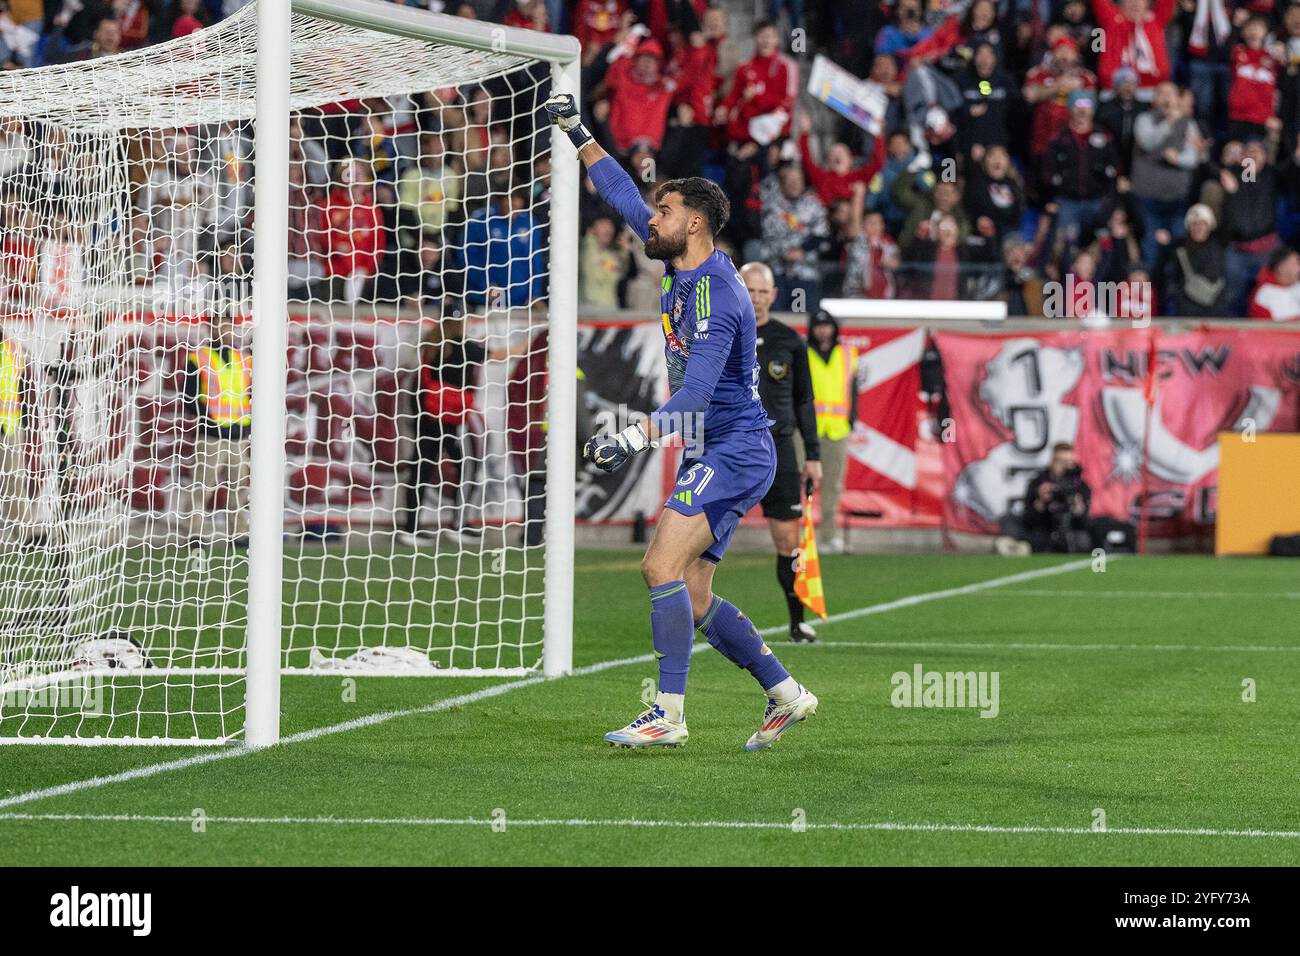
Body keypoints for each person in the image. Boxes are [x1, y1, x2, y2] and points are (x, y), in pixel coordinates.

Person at [545, 91, 818, 752]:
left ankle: (667, 712)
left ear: (694, 224)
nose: (650, 217)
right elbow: (617, 190)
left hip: (736, 446)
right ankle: (786, 692)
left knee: (657, 565)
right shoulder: (682, 261)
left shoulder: (720, 297)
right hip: (715, 448)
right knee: (694, 598)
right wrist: (578, 130)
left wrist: (634, 435)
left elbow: (695, 397)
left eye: (663, 210)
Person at [741, 261, 822, 643]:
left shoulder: (790, 340)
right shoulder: (721, 334)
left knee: (789, 543)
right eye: (749, 290)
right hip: (732, 448)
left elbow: (805, 400)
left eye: (762, 292)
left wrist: (814, 455)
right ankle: (692, 616)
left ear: (773, 295)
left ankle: (796, 620)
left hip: (779, 450)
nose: (756, 299)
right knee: (703, 538)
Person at [183, 318, 251, 547]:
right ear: (209, 328)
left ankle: (239, 532)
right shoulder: (198, 358)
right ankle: (196, 533)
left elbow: (250, 394)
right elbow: (189, 397)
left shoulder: (244, 359)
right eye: (219, 325)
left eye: (227, 325)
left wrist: (246, 425)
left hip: (238, 435)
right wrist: (209, 418)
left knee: (238, 487)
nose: (224, 330)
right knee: (203, 486)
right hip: (211, 435)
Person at [805, 311, 858, 554]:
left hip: (836, 430)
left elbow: (853, 390)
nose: (823, 330)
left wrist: (852, 419)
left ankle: (829, 536)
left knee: (833, 486)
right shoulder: (803, 352)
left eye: (827, 326)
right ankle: (797, 536)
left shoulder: (847, 354)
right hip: (806, 429)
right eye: (819, 326)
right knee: (800, 481)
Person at [997, 441, 1091, 554]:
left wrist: (1078, 509)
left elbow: (1083, 523)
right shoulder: (1038, 483)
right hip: (1044, 530)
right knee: (1010, 521)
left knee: (1083, 541)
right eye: (1061, 461)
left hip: (1071, 531)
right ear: (1052, 461)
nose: (1065, 466)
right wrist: (1040, 502)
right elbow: (1028, 519)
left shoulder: (1080, 487)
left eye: (1069, 462)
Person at [0, 326, 34, 543]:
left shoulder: (12, 348)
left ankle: (25, 534)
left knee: (14, 482)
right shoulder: (13, 347)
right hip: (10, 425)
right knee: (14, 481)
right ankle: (24, 533)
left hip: (8, 426)